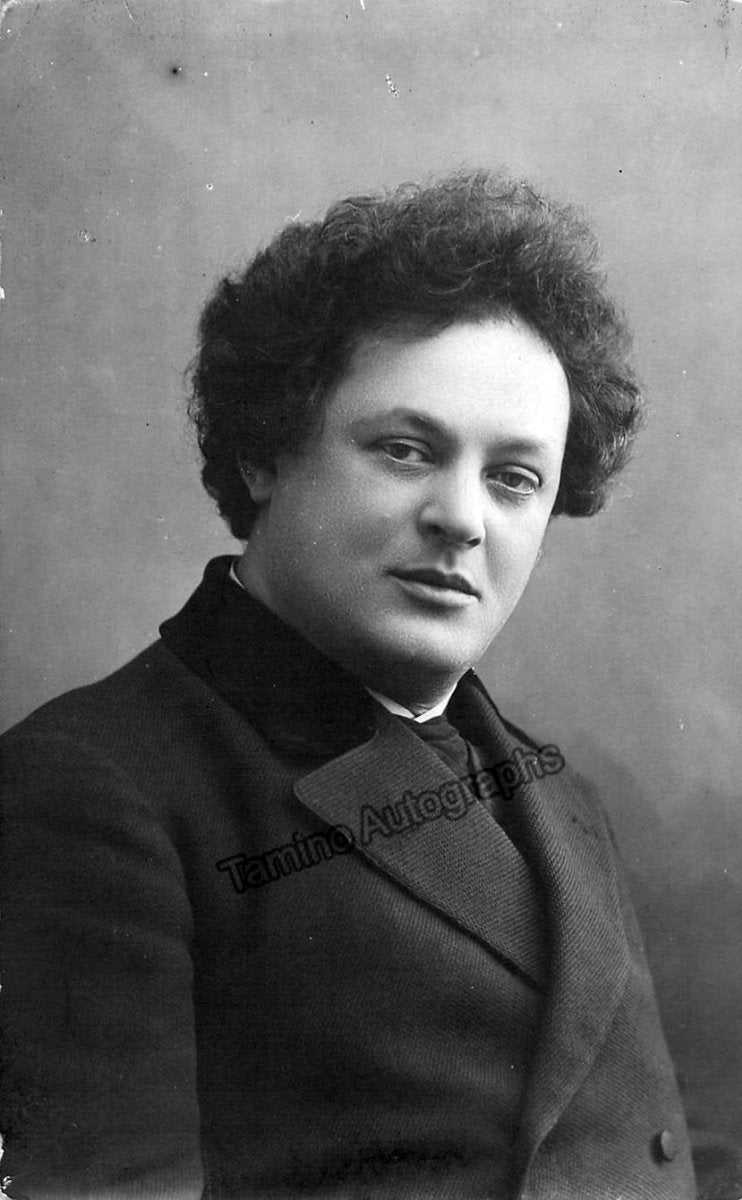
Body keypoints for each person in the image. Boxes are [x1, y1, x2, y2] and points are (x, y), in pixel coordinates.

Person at [0, 171, 696, 1199]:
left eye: (513, 478)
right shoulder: (92, 789)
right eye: (406, 451)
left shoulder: (561, 801)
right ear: (264, 454)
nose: (461, 518)